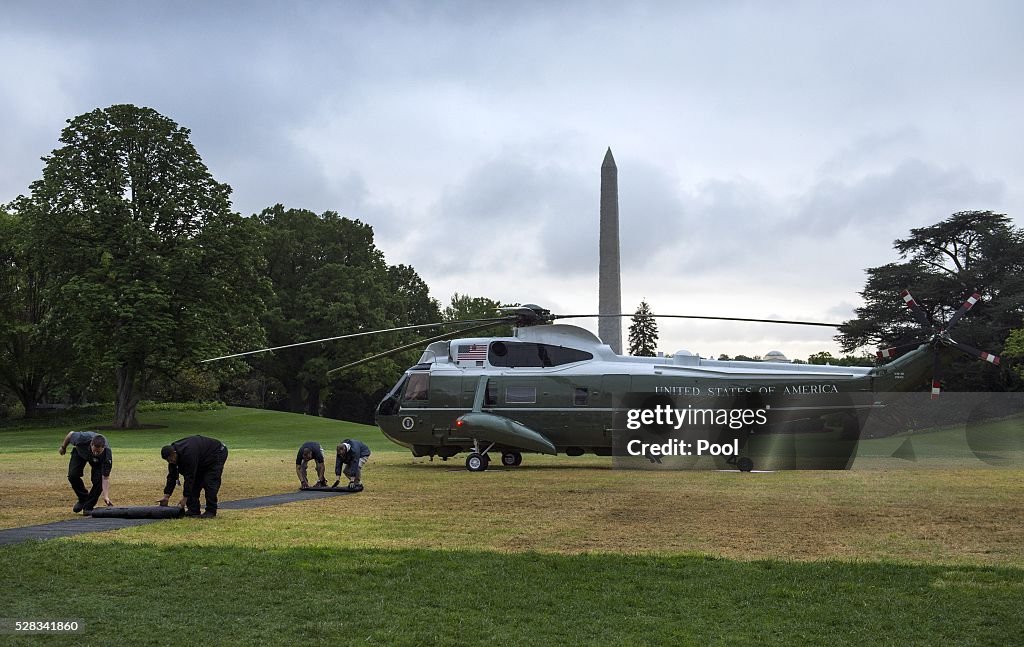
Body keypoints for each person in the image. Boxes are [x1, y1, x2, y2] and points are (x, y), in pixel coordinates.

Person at [158, 435, 228, 518]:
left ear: (174, 453)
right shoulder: (172, 457)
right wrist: (166, 496)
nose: (170, 461)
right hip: (201, 457)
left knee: (209, 482)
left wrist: (184, 498)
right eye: (167, 460)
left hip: (216, 452)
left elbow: (190, 477)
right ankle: (193, 509)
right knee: (195, 482)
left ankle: (211, 511)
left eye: (170, 459)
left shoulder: (188, 454)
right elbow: (172, 477)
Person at [58, 431, 112, 513]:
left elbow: (105, 478)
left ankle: (88, 506)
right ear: (91, 444)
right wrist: (63, 447)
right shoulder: (81, 438)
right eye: (94, 451)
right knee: (73, 475)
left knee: (99, 481)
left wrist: (106, 496)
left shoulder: (106, 456)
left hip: (97, 462)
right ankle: (83, 498)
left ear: (103, 447)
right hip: (80, 453)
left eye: (98, 452)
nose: (96, 453)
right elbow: (70, 434)